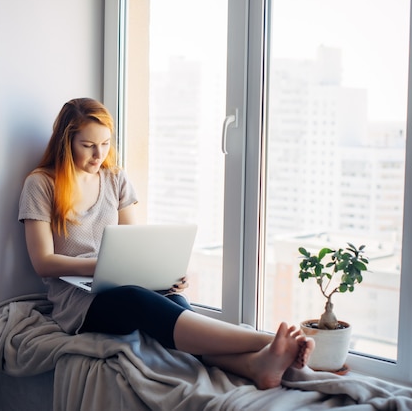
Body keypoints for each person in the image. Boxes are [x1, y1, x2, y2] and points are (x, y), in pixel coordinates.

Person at [19, 97, 315, 390]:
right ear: (66, 143)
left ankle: (254, 366)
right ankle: (267, 340)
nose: (99, 154)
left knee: (172, 302)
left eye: (106, 143)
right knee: (136, 300)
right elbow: (43, 262)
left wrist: (160, 273)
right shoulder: (41, 184)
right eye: (88, 146)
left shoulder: (115, 179)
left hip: (120, 281)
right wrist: (99, 268)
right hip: (78, 299)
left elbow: (130, 245)